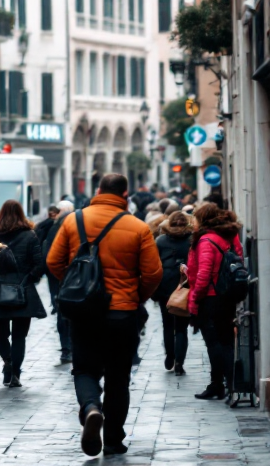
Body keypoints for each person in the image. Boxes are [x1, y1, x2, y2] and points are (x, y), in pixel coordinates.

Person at [47, 173, 162, 457]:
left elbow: (53, 261)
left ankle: (90, 408)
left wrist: (77, 288)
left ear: (98, 191)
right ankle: (112, 439)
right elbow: (153, 273)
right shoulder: (138, 227)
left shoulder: (73, 220)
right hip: (123, 313)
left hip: (85, 313)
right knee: (118, 377)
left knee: (84, 369)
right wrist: (136, 296)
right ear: (125, 196)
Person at [0, 199, 46, 389]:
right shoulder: (30, 236)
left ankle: (8, 362)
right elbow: (39, 264)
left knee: (1, 334)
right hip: (23, 290)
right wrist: (29, 279)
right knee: (19, 336)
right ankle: (15, 372)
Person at [187, 202, 244, 400]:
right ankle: (228, 383)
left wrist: (195, 299)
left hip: (210, 298)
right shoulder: (227, 236)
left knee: (214, 343)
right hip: (226, 295)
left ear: (202, 219)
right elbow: (239, 258)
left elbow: (203, 274)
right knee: (226, 341)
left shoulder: (206, 240)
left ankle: (220, 384)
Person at [154, 211, 193, 376]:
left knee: (168, 324)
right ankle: (179, 362)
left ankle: (170, 355)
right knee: (182, 327)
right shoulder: (191, 240)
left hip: (165, 286)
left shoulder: (161, 240)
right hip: (184, 286)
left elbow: (154, 264)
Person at [42, 200, 77, 363]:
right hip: (79, 276)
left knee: (62, 313)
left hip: (62, 278)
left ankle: (66, 348)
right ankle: (73, 347)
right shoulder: (80, 227)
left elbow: (51, 258)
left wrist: (61, 275)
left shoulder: (56, 227)